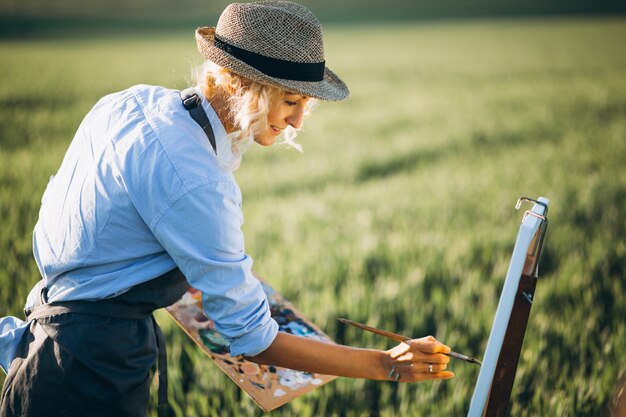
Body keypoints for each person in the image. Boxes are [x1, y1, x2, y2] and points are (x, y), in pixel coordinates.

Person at [0, 2, 454, 416]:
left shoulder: (128, 102)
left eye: (305, 105)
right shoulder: (197, 178)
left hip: (42, 355)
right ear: (237, 82)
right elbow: (254, 340)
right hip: (88, 381)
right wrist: (386, 364)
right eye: (291, 100)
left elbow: (102, 239)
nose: (298, 120)